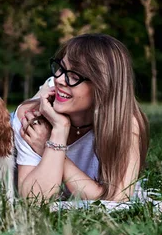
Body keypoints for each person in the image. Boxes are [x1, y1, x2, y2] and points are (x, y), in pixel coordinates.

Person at [14, 33, 149, 202]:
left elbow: (117, 199)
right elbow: (33, 198)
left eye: (75, 77)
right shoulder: (31, 117)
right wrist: (59, 129)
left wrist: (49, 148)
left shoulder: (126, 124)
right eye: (60, 68)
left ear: (102, 88)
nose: (60, 79)